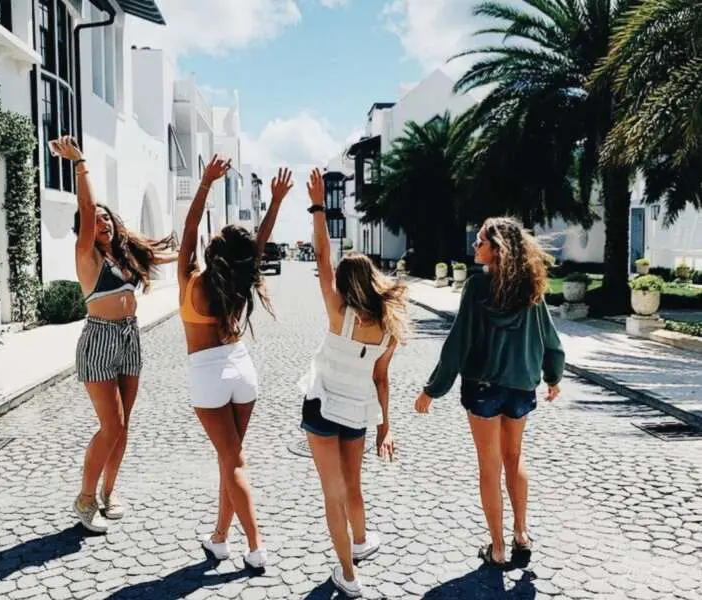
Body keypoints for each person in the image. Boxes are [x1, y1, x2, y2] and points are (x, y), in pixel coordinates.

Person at [414, 216, 565, 567]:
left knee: (490, 466)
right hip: (521, 387)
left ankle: (497, 548)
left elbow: (459, 342)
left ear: (496, 249)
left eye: (480, 241)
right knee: (514, 457)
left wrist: (432, 389)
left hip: (483, 387)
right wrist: (553, 377)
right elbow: (551, 339)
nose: (474, 245)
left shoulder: (478, 287)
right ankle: (521, 534)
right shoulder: (530, 286)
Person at [49, 135, 179, 533]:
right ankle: (86, 497)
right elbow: (87, 208)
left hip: (129, 338)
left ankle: (109, 491)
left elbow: (170, 255)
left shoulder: (125, 256)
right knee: (112, 426)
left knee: (124, 425)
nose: (102, 221)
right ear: (85, 228)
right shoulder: (86, 255)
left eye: (107, 217)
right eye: (96, 219)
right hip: (100, 340)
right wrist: (80, 164)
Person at [177, 155, 293, 570]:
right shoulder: (241, 284)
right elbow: (259, 243)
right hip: (242, 368)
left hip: (208, 375)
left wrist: (206, 182)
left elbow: (189, 228)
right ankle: (219, 539)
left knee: (233, 461)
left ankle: (256, 547)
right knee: (229, 460)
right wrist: (275, 201)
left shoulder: (191, 279)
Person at [298, 168, 409, 597]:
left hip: (322, 407)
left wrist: (318, 206)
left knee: (333, 494)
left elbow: (321, 256)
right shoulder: (388, 332)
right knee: (353, 487)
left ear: (345, 285)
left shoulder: (337, 314)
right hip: (356, 414)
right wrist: (385, 427)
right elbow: (382, 380)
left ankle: (347, 573)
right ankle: (360, 542)